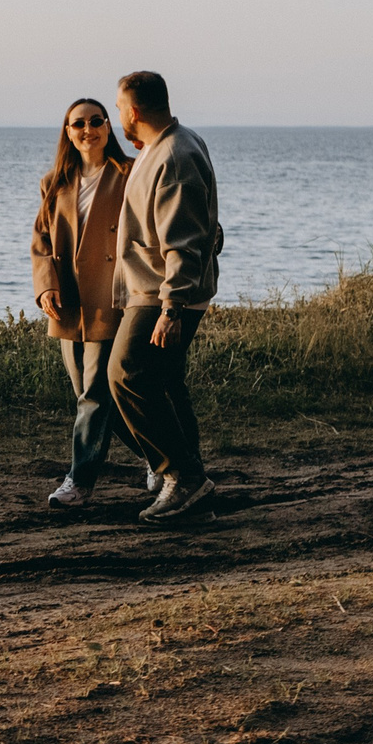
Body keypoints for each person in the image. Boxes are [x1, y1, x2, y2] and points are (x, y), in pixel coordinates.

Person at [107, 70, 223, 524]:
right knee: (164, 385)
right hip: (155, 290)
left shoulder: (174, 154)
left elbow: (183, 238)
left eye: (118, 108)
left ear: (133, 111)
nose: (117, 116)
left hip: (163, 294)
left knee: (124, 376)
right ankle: (182, 476)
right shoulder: (165, 147)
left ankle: (181, 476)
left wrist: (171, 308)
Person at [30, 97, 142, 508]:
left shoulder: (130, 173)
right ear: (68, 131)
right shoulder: (54, 181)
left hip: (112, 298)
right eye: (78, 123)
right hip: (69, 301)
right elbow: (41, 241)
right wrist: (45, 287)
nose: (88, 129)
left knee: (94, 394)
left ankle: (78, 482)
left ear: (109, 127)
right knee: (92, 396)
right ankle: (161, 457)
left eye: (97, 121)